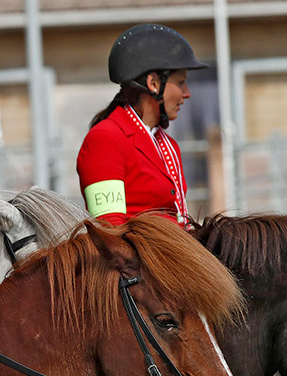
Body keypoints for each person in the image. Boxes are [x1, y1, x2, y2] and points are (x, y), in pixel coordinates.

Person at [76, 23, 207, 227]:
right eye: (181, 82)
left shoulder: (168, 145)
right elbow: (110, 233)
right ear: (153, 83)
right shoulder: (105, 139)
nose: (187, 93)